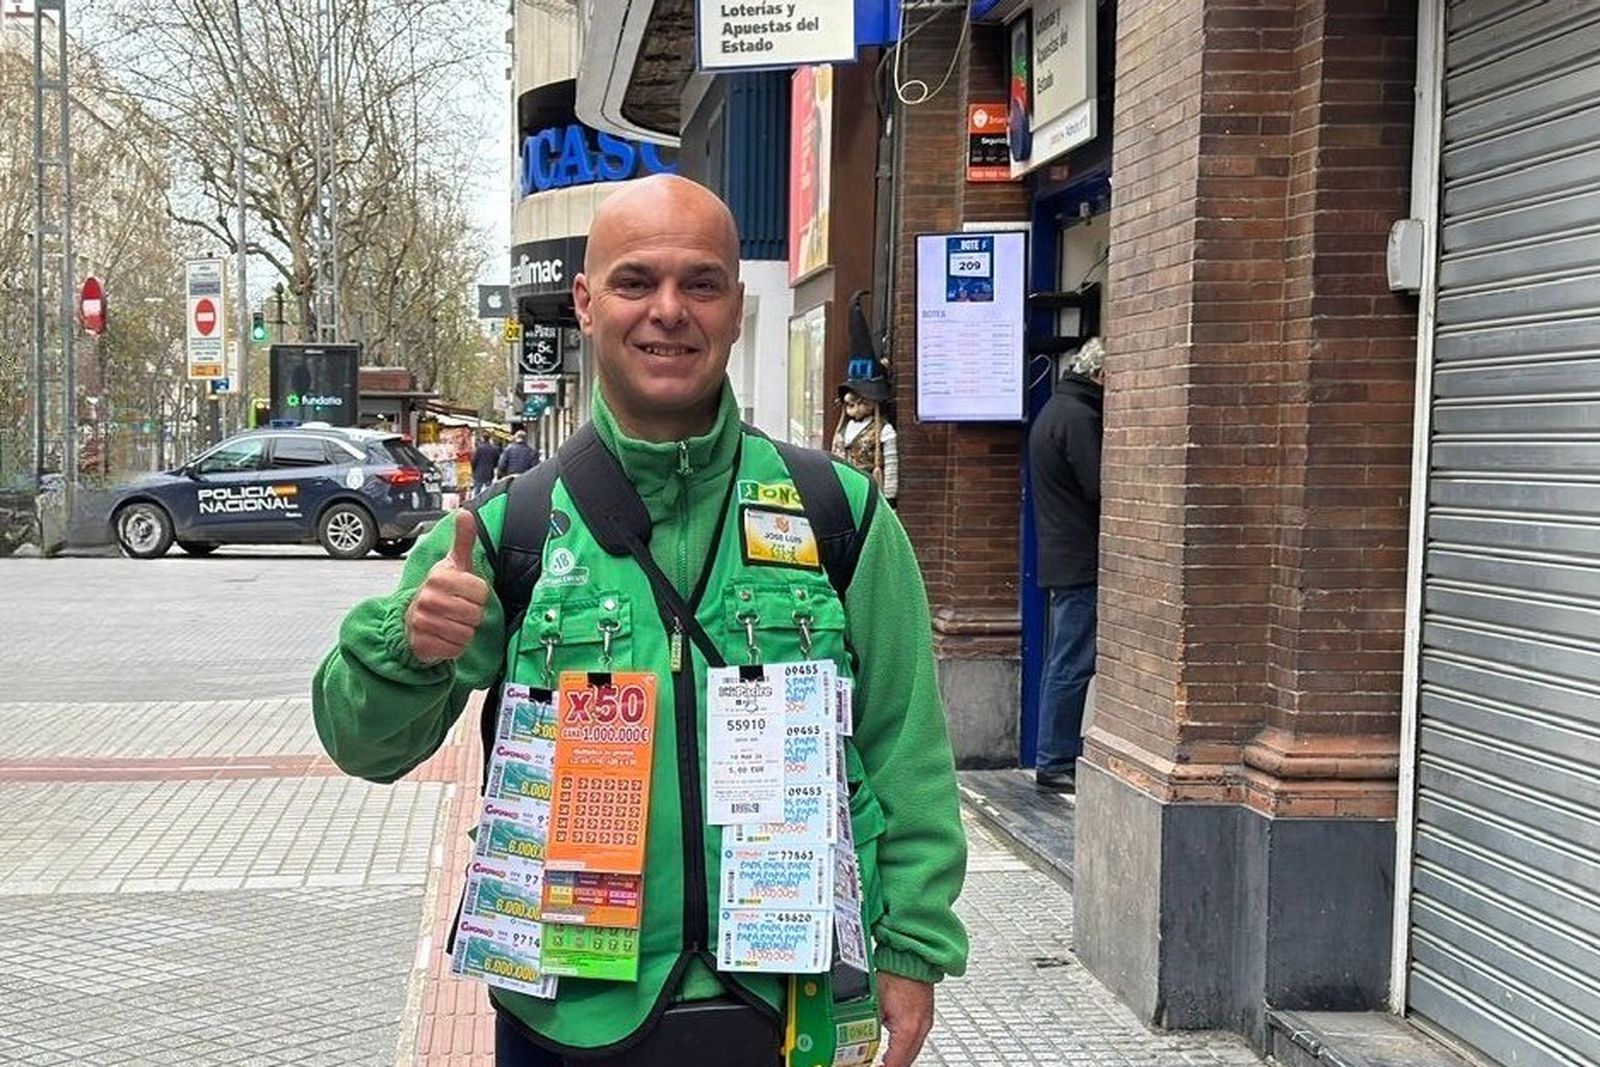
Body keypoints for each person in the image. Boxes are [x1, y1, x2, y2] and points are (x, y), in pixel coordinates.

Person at [312, 175, 967, 1067]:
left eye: (700, 283)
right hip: (570, 1023)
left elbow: (907, 744)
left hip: (792, 1008)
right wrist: (411, 650)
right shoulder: (508, 530)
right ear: (586, 302)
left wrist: (912, 947)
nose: (669, 311)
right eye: (635, 282)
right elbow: (362, 743)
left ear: (737, 307)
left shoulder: (835, 512)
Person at [1027, 337, 1104, 793]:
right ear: (1102, 375)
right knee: (1071, 661)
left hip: (1063, 553)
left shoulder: (1056, 408)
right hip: (1080, 557)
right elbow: (1099, 486)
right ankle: (1055, 759)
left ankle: (1052, 754)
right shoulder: (1080, 417)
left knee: (1064, 659)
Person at [830, 291, 898, 506]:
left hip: (870, 496)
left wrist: (890, 499)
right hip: (844, 493)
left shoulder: (884, 431)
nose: (854, 407)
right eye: (851, 403)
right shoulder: (843, 430)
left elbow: (891, 466)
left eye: (860, 401)